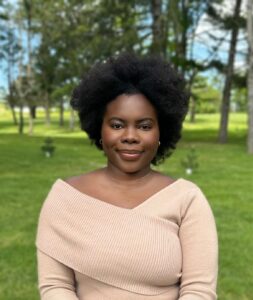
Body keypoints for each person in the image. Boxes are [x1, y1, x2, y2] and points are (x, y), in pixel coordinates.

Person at [36, 53, 218, 300]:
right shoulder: (65, 198)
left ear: (160, 131)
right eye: (117, 125)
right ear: (100, 128)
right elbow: (56, 287)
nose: (130, 136)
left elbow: (199, 291)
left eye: (144, 126)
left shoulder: (187, 200)